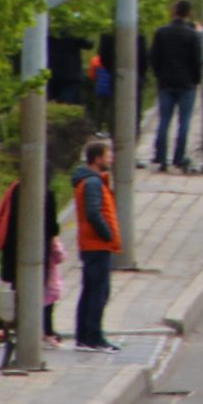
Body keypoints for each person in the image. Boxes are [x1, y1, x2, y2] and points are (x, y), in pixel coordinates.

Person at [0, 172, 63, 348]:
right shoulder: (46, 194)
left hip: (12, 249)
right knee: (40, 292)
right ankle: (36, 330)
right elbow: (52, 227)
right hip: (37, 252)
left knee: (17, 289)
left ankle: (3, 328)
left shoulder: (16, 189)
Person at [72, 139, 122, 352]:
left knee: (91, 290)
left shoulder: (92, 180)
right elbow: (94, 212)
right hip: (96, 245)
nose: (110, 159)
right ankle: (93, 336)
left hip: (92, 244)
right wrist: (107, 234)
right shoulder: (93, 183)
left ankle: (84, 335)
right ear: (97, 159)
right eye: (107, 155)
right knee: (98, 292)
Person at [149, 0, 203, 172]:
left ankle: (161, 157)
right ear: (188, 14)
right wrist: (196, 79)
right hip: (186, 83)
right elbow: (197, 60)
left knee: (164, 119)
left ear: (174, 11)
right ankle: (179, 157)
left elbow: (154, 58)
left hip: (166, 82)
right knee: (184, 121)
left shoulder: (161, 32)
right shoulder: (192, 35)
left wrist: (159, 75)